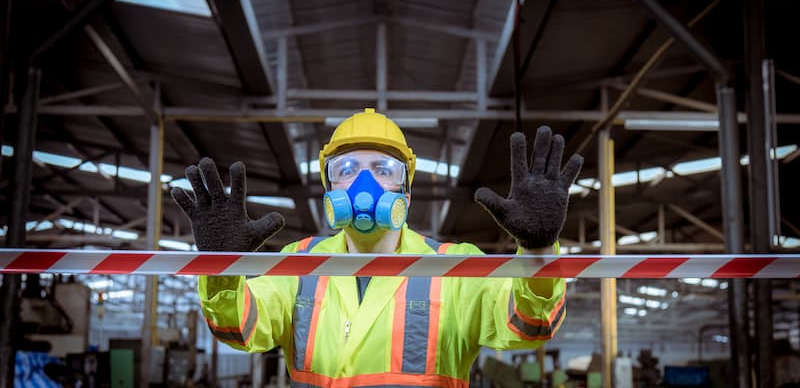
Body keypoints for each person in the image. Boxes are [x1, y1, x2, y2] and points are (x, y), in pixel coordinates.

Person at [171, 108, 583, 387]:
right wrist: (220, 266)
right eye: (346, 169)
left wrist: (538, 252)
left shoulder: (456, 269)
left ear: (405, 185)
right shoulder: (298, 264)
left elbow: (530, 325)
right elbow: (238, 328)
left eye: (383, 169)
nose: (363, 184)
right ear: (329, 183)